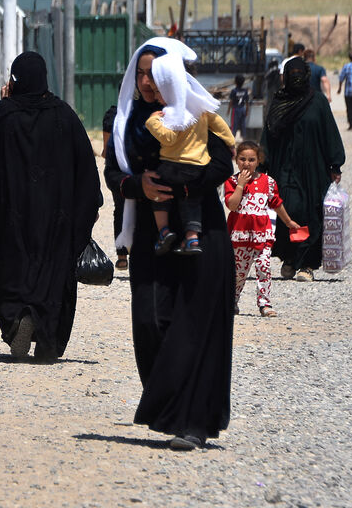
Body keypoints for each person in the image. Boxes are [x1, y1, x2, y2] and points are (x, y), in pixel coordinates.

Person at [105, 36, 234, 451]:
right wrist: (137, 185)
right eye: (140, 74)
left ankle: (192, 422)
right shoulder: (124, 120)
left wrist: (182, 187)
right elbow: (113, 174)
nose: (146, 82)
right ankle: (167, 406)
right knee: (150, 320)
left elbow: (221, 164)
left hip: (202, 230)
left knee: (196, 324)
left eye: (154, 74)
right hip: (151, 234)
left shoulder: (196, 111)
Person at [0, 52, 101, 363]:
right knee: (54, 273)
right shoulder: (63, 115)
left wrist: (3, 104)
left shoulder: (4, 115)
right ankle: (47, 337)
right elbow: (86, 168)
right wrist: (87, 210)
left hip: (11, 214)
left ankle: (17, 318)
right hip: (57, 217)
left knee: (10, 269)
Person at [143, 50, 237, 256]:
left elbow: (168, 138)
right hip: (198, 167)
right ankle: (191, 238)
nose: (157, 97)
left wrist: (152, 122)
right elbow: (219, 122)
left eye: (158, 92)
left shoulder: (171, 112)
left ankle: (164, 231)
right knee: (191, 201)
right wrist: (230, 142)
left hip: (172, 165)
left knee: (160, 196)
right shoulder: (198, 105)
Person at [265, 59, 346, 283]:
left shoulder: (318, 102)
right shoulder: (279, 101)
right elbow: (268, 135)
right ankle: (289, 258)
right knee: (288, 210)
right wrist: (261, 165)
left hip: (313, 170)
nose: (296, 77)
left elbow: (329, 131)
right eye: (292, 73)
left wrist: (335, 164)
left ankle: (307, 264)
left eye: (300, 73)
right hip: (284, 168)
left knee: (310, 213)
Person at [224, 141, 300, 318]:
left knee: (264, 267)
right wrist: (241, 185)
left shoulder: (269, 182)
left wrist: (288, 222)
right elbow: (232, 205)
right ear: (236, 160)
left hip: (262, 235)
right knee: (238, 273)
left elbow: (277, 203)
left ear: (258, 161)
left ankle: (264, 303)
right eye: (242, 159)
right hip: (239, 237)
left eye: (251, 159)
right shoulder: (232, 182)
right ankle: (232, 301)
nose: (247, 163)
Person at [101, 107, 130, 272]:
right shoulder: (146, 113)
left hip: (116, 172)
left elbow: (106, 152)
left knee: (120, 210)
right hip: (137, 171)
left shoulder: (111, 115)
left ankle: (121, 257)